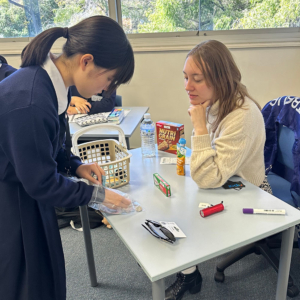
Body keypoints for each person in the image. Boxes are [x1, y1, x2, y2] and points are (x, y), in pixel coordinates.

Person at [0, 15, 134, 300]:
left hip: (25, 190)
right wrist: (97, 196)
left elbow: (50, 148)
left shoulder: (51, 84)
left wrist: (76, 165)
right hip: (13, 199)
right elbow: (42, 184)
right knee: (26, 283)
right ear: (86, 61)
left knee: (46, 274)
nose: (106, 90)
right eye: (109, 79)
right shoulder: (31, 100)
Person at [165, 40, 268, 300]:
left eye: (196, 79)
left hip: (249, 193)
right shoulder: (214, 102)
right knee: (171, 198)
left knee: (182, 209)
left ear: (219, 78)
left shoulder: (241, 115)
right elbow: (208, 164)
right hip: (226, 183)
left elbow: (208, 176)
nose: (187, 86)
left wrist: (199, 127)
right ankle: (189, 270)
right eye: (186, 77)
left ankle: (188, 273)